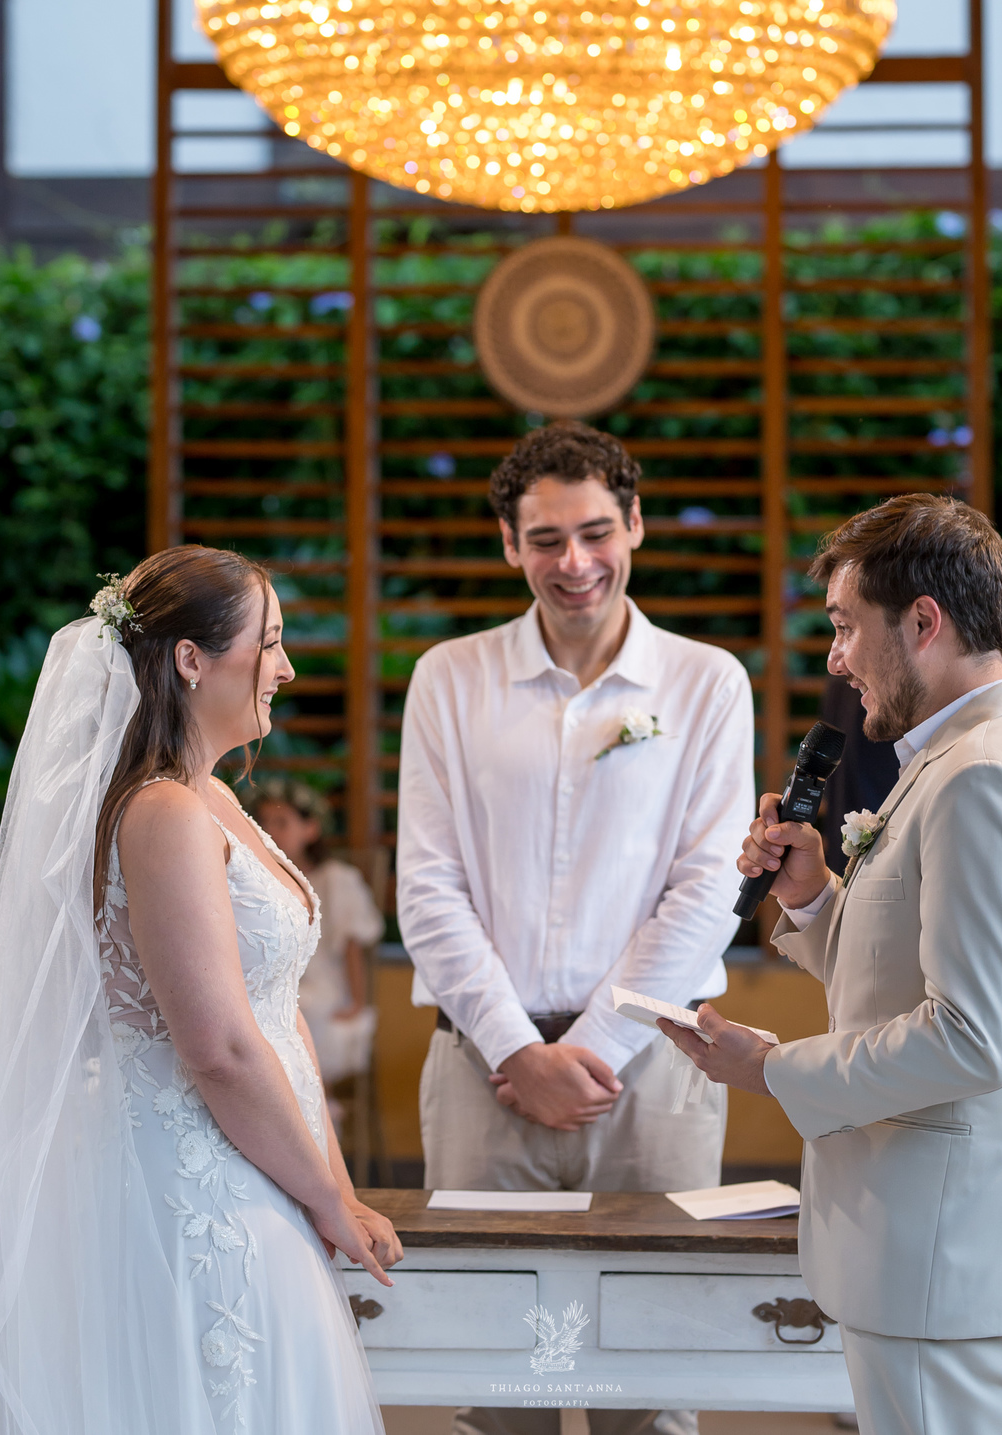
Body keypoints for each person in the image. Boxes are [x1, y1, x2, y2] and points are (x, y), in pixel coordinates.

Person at [659, 494, 1002, 1435]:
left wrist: (771, 1067)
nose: (836, 658)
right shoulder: (969, 756)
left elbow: (971, 1037)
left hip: (945, 1243)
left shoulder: (984, 777)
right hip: (940, 1242)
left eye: (846, 626)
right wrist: (813, 898)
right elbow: (910, 975)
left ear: (924, 622)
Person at [0, 546, 401, 1433]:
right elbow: (221, 1046)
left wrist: (336, 1183)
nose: (286, 668)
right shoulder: (163, 814)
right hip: (200, 1185)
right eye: (270, 643)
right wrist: (323, 1198)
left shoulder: (218, 801)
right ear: (192, 659)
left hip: (266, 1161)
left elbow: (277, 1008)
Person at [397, 422, 754, 1435]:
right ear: (510, 543)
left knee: (650, 1391)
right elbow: (426, 887)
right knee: (497, 1391)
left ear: (635, 525)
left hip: (656, 1074)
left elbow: (707, 890)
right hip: (482, 1074)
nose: (574, 562)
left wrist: (591, 1047)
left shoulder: (706, 682)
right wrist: (517, 1049)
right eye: (546, 539)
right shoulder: (449, 677)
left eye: (596, 532)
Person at [245, 778, 385, 1089]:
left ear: (311, 829)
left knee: (301, 1009)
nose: (270, 830)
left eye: (282, 822)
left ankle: (313, 1099)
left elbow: (351, 945)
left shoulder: (335, 879)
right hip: (274, 980)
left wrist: (357, 1002)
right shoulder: (257, 880)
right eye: (265, 822)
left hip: (324, 983)